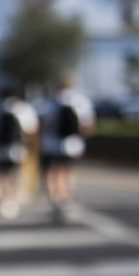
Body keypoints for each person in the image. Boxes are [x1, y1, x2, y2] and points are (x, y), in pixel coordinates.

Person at [39, 75, 95, 218]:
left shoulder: (51, 101)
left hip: (52, 144)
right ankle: (67, 199)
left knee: (54, 172)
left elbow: (44, 124)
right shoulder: (81, 101)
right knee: (68, 171)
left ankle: (56, 201)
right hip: (73, 144)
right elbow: (87, 125)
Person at [0, 89, 38, 219]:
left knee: (1, 174)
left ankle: (2, 198)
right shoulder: (23, 109)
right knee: (14, 174)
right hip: (17, 148)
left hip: (0, 148)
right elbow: (30, 130)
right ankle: (12, 199)